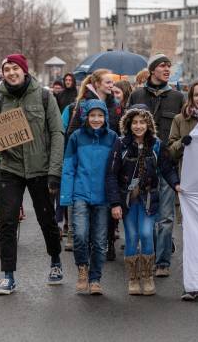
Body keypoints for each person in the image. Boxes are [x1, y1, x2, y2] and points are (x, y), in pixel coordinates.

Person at [0, 54, 64, 295]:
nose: (11, 73)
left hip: (40, 168)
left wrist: (54, 171)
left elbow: (56, 133)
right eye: (7, 69)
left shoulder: (44, 96)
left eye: (15, 68)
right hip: (10, 168)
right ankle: (8, 275)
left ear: (24, 70)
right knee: (8, 221)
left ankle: (55, 260)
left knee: (47, 219)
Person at [106, 106, 180, 296]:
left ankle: (147, 276)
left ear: (148, 124)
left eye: (142, 122)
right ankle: (133, 278)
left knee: (147, 233)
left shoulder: (156, 144)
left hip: (149, 198)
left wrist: (176, 185)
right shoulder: (120, 144)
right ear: (129, 125)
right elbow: (112, 174)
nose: (138, 126)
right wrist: (115, 203)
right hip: (128, 200)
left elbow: (167, 168)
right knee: (131, 237)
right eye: (135, 122)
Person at [128, 54, 185, 278]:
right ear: (152, 70)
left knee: (166, 217)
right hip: (143, 164)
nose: (167, 69)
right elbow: (128, 125)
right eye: (163, 65)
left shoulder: (178, 96)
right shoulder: (137, 94)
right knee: (147, 214)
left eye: (169, 66)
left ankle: (162, 262)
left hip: (168, 163)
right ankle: (150, 255)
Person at [61, 99, 118, 295]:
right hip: (80, 193)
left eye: (100, 115)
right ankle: (82, 269)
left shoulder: (112, 138)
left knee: (101, 240)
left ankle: (95, 279)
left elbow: (116, 169)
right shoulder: (76, 137)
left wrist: (116, 197)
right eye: (92, 115)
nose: (96, 119)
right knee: (79, 235)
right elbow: (68, 167)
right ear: (86, 116)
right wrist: (66, 196)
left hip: (103, 196)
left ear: (105, 117)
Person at [167, 81, 198, 301]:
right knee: (190, 235)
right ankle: (191, 283)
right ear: (191, 97)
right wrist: (182, 144)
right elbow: (171, 151)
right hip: (188, 185)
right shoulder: (180, 120)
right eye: (197, 95)